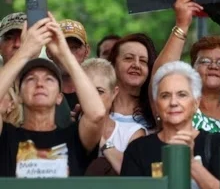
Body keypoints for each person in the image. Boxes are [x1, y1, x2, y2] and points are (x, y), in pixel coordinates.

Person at [0, 15, 106, 177]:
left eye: (49, 79)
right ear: (19, 95)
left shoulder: (73, 138)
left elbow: (97, 114)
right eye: (31, 79)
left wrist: (64, 53)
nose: (39, 83)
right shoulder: (6, 137)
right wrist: (25, 51)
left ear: (59, 96)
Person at [121, 61, 220, 189]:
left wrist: (191, 163)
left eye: (182, 95)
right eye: (165, 96)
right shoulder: (138, 150)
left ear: (196, 102)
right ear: (156, 105)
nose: (173, 102)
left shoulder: (217, 144)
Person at [154, 0, 220, 138]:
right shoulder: (177, 106)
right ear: (192, 71)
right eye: (205, 61)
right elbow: (161, 75)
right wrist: (182, 25)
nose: (213, 66)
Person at [82, 58, 145, 175]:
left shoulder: (132, 133)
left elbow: (134, 176)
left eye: (100, 91)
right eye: (86, 91)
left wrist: (102, 142)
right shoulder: (68, 132)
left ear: (114, 93)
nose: (92, 98)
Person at [107, 33, 157, 131]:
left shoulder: (154, 111)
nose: (136, 65)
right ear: (113, 64)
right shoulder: (99, 106)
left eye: (143, 61)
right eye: (128, 58)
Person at [46, 19, 91, 111]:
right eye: (62, 47)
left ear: (87, 51)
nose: (68, 54)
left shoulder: (97, 90)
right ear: (49, 52)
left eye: (75, 48)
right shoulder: (40, 91)